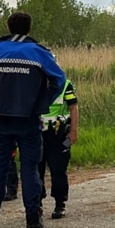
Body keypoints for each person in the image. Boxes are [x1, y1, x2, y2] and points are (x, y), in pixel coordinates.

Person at [0, 12, 65, 228]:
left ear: (8, 27)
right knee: (30, 170)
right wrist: (41, 103)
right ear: (30, 28)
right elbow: (59, 80)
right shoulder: (38, 52)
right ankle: (32, 225)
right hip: (28, 119)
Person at [39, 79, 78, 219]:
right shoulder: (33, 80)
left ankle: (60, 204)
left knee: (58, 170)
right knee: (35, 170)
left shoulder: (65, 84)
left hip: (58, 134)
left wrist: (73, 131)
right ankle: (36, 204)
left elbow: (73, 108)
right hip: (37, 133)